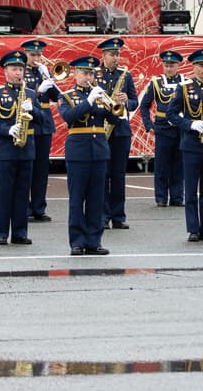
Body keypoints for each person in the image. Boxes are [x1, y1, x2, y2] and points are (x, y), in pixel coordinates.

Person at [0, 50, 43, 246]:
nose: (18, 73)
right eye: (14, 69)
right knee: (5, 192)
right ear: (6, 71)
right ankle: (1, 233)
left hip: (26, 150)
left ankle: (20, 233)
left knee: (23, 193)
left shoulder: (31, 93)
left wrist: (34, 110)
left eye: (20, 69)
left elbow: (44, 120)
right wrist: (7, 129)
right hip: (6, 150)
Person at [167, 48, 203, 243]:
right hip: (191, 144)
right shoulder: (184, 88)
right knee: (191, 189)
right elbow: (171, 114)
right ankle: (193, 228)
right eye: (201, 65)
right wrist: (190, 124)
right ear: (193, 67)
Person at [57, 55, 114, 256]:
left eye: (91, 73)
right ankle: (77, 242)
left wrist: (118, 108)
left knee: (96, 199)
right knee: (76, 199)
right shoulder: (66, 96)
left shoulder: (100, 94)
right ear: (75, 73)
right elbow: (69, 117)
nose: (88, 77)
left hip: (99, 151)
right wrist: (89, 100)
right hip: (78, 152)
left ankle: (94, 241)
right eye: (84, 73)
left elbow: (113, 116)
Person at [94, 37, 136, 230]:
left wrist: (127, 100)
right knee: (103, 174)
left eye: (118, 54)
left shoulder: (125, 75)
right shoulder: (95, 75)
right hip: (102, 129)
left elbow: (135, 102)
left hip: (120, 131)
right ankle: (102, 215)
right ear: (103, 56)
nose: (116, 58)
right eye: (112, 54)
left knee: (118, 175)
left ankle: (118, 216)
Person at [137, 50, 184, 207]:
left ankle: (177, 197)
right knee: (162, 164)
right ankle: (161, 197)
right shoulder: (156, 83)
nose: (168, 68)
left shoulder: (185, 82)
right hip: (163, 127)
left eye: (172, 65)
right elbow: (144, 106)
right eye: (166, 65)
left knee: (179, 163)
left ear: (178, 65)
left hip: (180, 127)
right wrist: (148, 125)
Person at [21, 39, 60, 223]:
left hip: (44, 122)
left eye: (38, 55)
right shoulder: (20, 72)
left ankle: (39, 207)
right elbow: (22, 97)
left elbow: (56, 96)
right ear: (26, 54)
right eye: (32, 54)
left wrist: (49, 79)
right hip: (28, 122)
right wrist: (38, 90)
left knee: (42, 169)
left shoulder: (43, 71)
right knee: (28, 167)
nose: (36, 58)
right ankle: (26, 207)